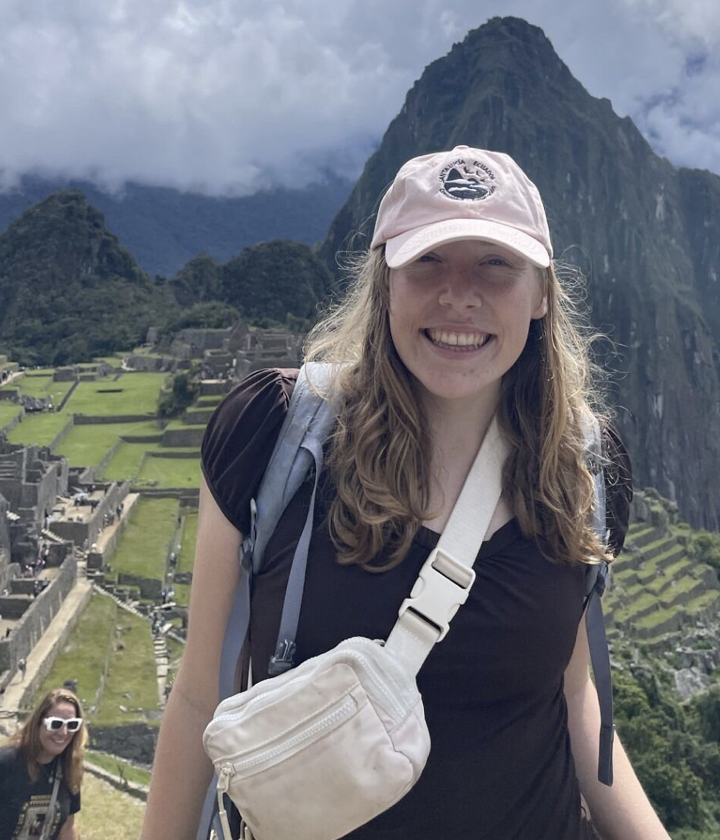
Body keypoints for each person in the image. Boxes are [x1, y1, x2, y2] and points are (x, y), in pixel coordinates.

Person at [141, 146, 669, 840]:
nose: (459, 295)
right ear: (384, 280)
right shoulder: (273, 437)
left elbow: (576, 703)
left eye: (494, 264)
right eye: (427, 261)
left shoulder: (585, 468)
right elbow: (197, 697)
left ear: (541, 293)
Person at [0, 687, 85, 840]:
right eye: (56, 724)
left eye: (72, 725)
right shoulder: (2, 764)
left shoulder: (70, 768)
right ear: (38, 723)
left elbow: (67, 828)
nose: (64, 732)